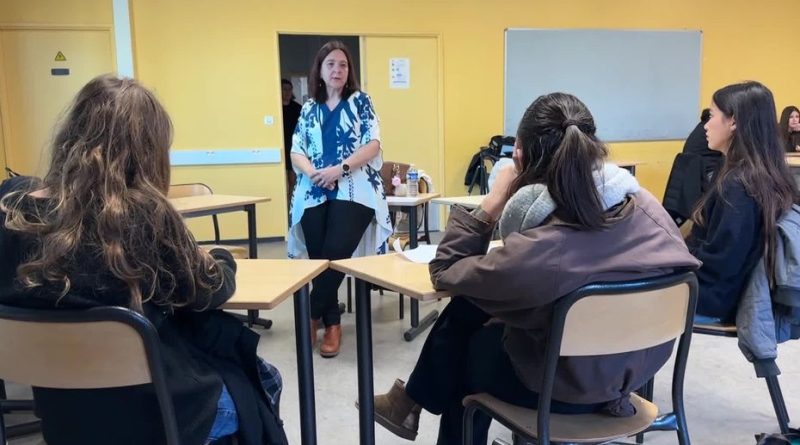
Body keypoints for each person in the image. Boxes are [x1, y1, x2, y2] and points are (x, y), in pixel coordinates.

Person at [364, 92, 701, 444]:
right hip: (630, 378)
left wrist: (494, 201)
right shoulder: (650, 211)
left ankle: (411, 400)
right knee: (473, 309)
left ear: (519, 158)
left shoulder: (543, 249)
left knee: (462, 350)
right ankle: (408, 402)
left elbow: (446, 269)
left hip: (564, 391)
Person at [0, 75, 287, 445]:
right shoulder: (144, 218)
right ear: (148, 150)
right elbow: (210, 291)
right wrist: (219, 258)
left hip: (62, 417)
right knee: (266, 379)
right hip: (159, 418)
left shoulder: (11, 207)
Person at [288, 41, 391, 358]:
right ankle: (332, 323)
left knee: (335, 253)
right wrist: (315, 172)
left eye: (343, 65)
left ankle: (311, 316)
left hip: (354, 186)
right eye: (330, 64)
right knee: (320, 258)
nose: (337, 70)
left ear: (349, 71)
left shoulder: (362, 101)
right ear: (319, 70)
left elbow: (373, 145)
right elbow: (297, 151)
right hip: (313, 189)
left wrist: (339, 169)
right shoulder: (308, 108)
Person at [688, 82, 798, 323]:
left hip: (715, 299)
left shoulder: (738, 185)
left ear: (734, 122)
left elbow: (720, 263)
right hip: (735, 292)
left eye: (712, 115)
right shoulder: (764, 174)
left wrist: (674, 259)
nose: (706, 125)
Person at [282, 78, 302, 206]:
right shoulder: (275, 108)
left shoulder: (297, 108)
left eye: (289, 89)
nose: (287, 92)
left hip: (294, 147)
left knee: (293, 183)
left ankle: (292, 207)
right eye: (284, 89)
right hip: (281, 147)